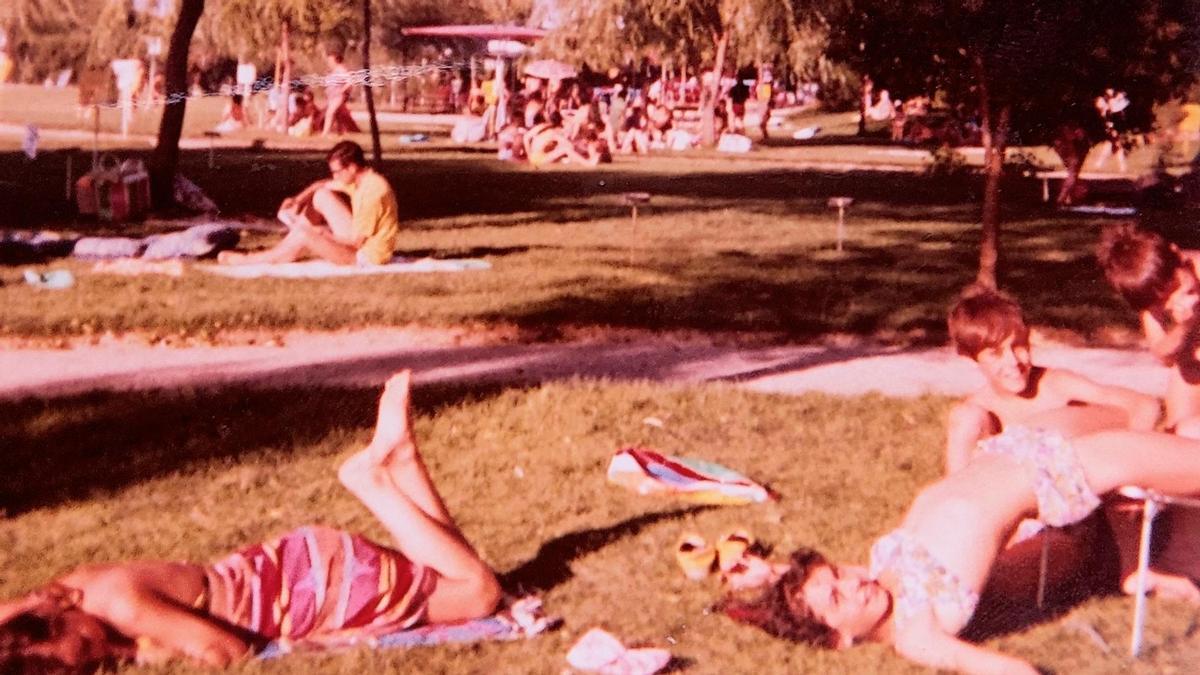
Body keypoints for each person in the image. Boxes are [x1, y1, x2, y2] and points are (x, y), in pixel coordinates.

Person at [0, 371, 501, 672]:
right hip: (289, 564)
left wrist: (136, 653)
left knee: (479, 594)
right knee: (446, 572)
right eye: (91, 663)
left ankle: (372, 481)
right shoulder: (68, 592)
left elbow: (228, 651)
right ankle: (405, 461)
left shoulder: (124, 611)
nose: (100, 651)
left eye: (89, 644)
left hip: (309, 590)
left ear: (51, 624)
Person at [723, 404, 1200, 673]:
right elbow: (1010, 671)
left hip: (1020, 443)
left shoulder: (880, 562)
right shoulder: (917, 636)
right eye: (837, 595)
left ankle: (1144, 556)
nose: (853, 583)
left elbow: (794, 594)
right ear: (839, 640)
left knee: (1153, 408)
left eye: (838, 574)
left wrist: (770, 575)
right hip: (1065, 471)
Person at [943, 286, 1160, 475]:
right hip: (1012, 506)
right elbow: (954, 489)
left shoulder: (1056, 385)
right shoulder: (978, 412)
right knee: (965, 418)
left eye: (1019, 345)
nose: (1013, 361)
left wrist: (1132, 460)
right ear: (971, 359)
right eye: (995, 353)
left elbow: (1145, 404)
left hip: (1077, 498)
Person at [219, 141, 399, 266]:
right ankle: (285, 249)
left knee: (306, 234)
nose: (335, 177)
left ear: (352, 167)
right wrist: (298, 200)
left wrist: (322, 234)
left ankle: (254, 259)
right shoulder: (362, 180)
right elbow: (320, 185)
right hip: (360, 245)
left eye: (337, 172)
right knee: (321, 195)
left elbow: (356, 244)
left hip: (365, 257)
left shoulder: (372, 193)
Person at [1096, 222, 1200, 434]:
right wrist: (1184, 326)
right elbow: (1163, 354)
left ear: (1177, 254)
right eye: (1162, 303)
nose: (1173, 301)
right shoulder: (1152, 295)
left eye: (1174, 288)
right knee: (1177, 434)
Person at [321, 43, 360, 136]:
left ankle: (325, 133)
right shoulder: (334, 70)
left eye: (330, 60)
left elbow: (350, 81)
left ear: (336, 60)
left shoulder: (341, 69)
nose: (329, 62)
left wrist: (343, 90)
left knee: (330, 113)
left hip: (338, 96)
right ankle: (340, 132)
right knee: (338, 115)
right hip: (331, 96)